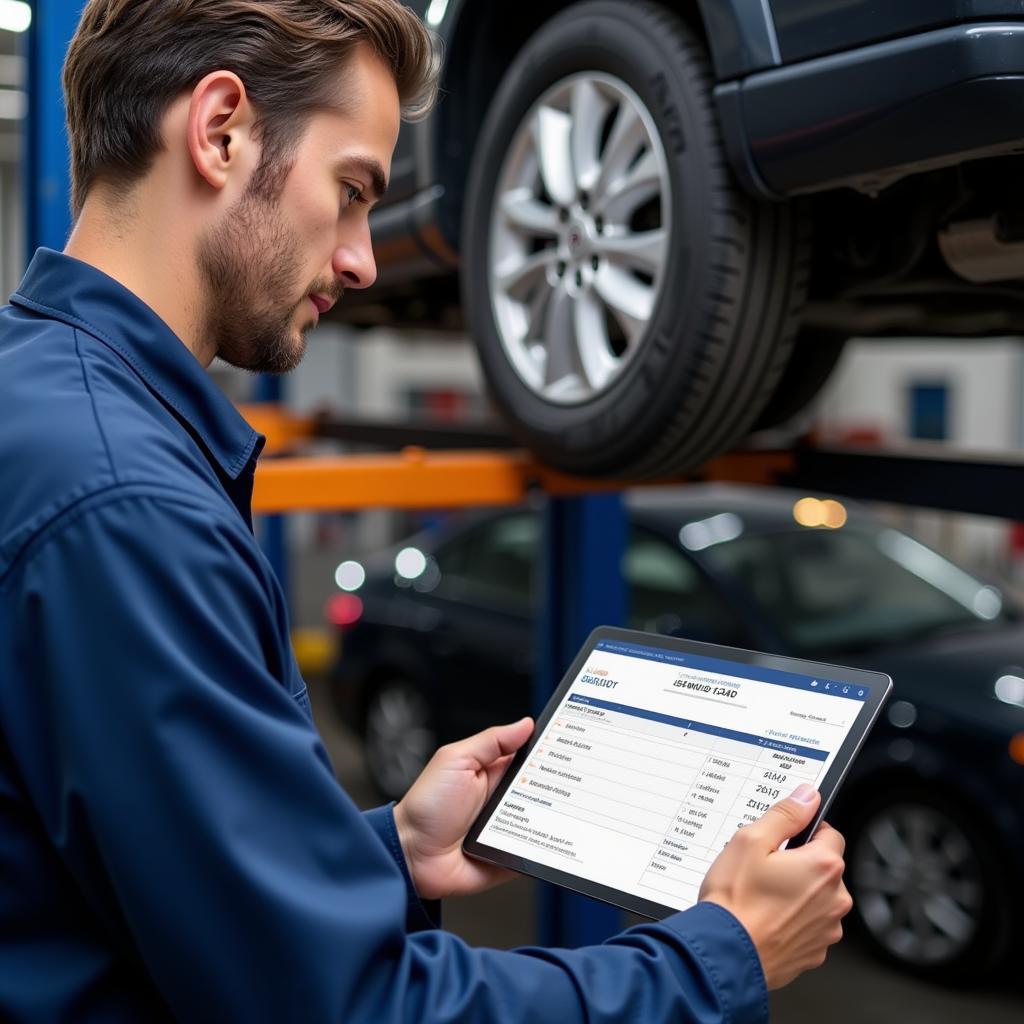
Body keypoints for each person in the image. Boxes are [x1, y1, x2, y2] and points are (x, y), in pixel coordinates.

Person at [0, 2, 851, 1021]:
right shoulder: (126, 506)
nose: (362, 259)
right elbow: (349, 1008)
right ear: (219, 128)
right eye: (352, 189)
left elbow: (114, 864)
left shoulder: (38, 399)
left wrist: (388, 848)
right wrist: (723, 954)